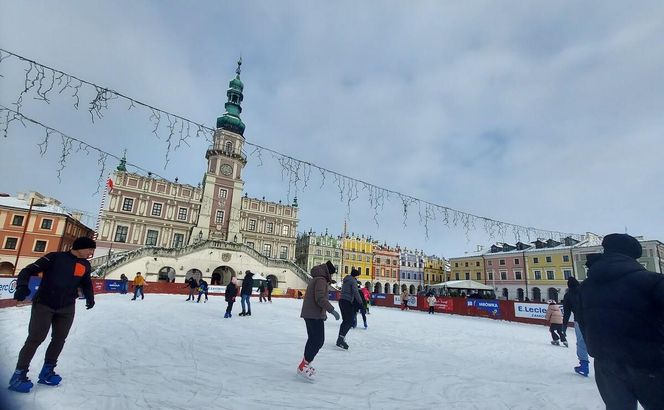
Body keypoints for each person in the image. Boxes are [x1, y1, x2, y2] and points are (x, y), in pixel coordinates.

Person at [579, 233, 664, 409]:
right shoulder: (652, 281)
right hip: (648, 363)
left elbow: (582, 322)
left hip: (605, 363)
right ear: (634, 255)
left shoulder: (586, 286)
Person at [8, 236, 96, 393]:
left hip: (67, 307)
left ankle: (47, 371)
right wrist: (22, 286)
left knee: (59, 339)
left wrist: (90, 297)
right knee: (36, 338)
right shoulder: (54, 257)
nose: (91, 252)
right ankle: (19, 374)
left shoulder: (85, 264)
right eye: (90, 249)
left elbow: (86, 282)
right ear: (80, 247)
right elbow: (27, 270)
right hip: (44, 304)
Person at [297, 261, 340, 380]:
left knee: (313, 340)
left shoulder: (317, 278)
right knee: (318, 341)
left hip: (312, 314)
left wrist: (323, 314)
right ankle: (304, 365)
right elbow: (320, 298)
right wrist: (332, 310)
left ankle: (305, 364)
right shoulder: (321, 280)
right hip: (313, 315)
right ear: (328, 272)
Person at [562, 266, 595, 377]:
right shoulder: (586, 290)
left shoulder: (568, 295)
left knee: (581, 343)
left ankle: (584, 366)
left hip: (579, 320)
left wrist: (564, 326)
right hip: (593, 318)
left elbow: (566, 312)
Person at [336, 268, 363, 349]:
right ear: (356, 275)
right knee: (350, 321)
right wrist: (360, 302)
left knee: (345, 321)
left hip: (341, 301)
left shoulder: (346, 279)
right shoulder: (353, 281)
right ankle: (340, 339)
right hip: (347, 302)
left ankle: (340, 338)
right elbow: (355, 292)